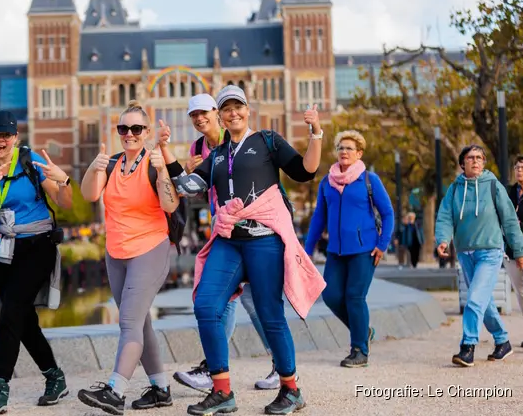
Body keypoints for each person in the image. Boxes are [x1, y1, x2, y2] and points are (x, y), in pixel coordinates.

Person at [164, 85, 324, 415]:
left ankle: (291, 390)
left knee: (270, 315)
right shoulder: (218, 154)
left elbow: (305, 171)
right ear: (220, 116)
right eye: (226, 108)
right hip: (228, 242)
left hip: (265, 240)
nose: (232, 112)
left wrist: (316, 133)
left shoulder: (267, 141)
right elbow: (191, 187)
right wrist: (166, 153)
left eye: (238, 106)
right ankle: (222, 392)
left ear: (248, 110)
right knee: (206, 305)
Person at [166, 93, 281, 392]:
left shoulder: (233, 141)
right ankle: (215, 369)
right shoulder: (197, 147)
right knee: (223, 298)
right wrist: (188, 169)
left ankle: (277, 367)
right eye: (194, 114)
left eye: (204, 112)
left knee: (250, 299)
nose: (199, 118)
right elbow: (200, 188)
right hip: (224, 227)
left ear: (216, 113)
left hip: (254, 227)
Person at [0, 110, 74, 415]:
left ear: (16, 138)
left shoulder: (31, 165)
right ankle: (55, 377)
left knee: (12, 310)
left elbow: (65, 204)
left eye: (7, 135)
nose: (1, 140)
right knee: (23, 319)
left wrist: (63, 179)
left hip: (35, 246)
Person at [77, 100, 179, 415]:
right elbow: (89, 195)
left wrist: (163, 170)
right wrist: (94, 168)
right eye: (124, 128)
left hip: (151, 248)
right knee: (141, 322)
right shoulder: (112, 163)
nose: (130, 134)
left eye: (136, 128)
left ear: (146, 132)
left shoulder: (152, 162)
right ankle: (161, 388)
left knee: (129, 321)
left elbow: (171, 205)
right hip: (116, 253)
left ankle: (116, 390)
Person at [304, 130, 394, 368]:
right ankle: (364, 331)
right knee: (331, 297)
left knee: (355, 297)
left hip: (365, 251)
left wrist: (382, 245)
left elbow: (388, 214)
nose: (344, 152)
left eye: (349, 148)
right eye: (341, 148)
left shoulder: (369, 180)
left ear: (359, 153)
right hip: (335, 251)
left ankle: (359, 350)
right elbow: (318, 219)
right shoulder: (327, 182)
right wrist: (306, 250)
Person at [435, 144, 523, 367]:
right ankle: (502, 340)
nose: (475, 161)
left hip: (490, 251)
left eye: (479, 158)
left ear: (484, 162)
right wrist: (443, 240)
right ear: (462, 163)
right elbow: (445, 216)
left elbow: (509, 221)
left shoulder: (493, 185)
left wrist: (520, 250)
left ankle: (468, 346)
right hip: (465, 252)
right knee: (483, 301)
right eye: (470, 157)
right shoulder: (455, 189)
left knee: (474, 298)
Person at [503, 155, 523, 350]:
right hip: (511, 250)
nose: (519, 171)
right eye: (517, 167)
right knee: (520, 293)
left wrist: (521, 225)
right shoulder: (508, 193)